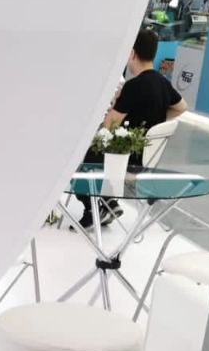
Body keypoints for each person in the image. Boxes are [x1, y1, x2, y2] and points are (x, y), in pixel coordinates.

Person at [78, 27, 188, 228]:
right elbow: (182, 107)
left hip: (124, 158)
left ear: (132, 53)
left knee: (81, 156)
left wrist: (115, 103)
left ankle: (94, 208)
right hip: (146, 156)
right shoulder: (163, 83)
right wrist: (157, 121)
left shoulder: (133, 86)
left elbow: (109, 125)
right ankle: (108, 204)